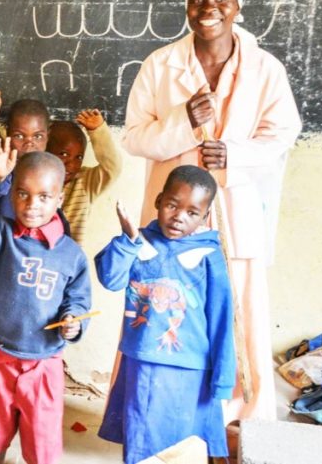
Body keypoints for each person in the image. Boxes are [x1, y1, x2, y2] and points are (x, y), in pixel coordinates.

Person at [121, 0, 301, 421]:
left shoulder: (265, 68)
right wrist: (183, 122)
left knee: (237, 311)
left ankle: (239, 414)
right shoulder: (160, 65)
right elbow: (135, 137)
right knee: (163, 307)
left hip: (236, 211)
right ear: (186, 7)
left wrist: (235, 155)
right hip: (173, 216)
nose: (209, 8)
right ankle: (156, 409)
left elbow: (283, 132)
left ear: (237, 6)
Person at [0, 142, 91, 464]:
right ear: (12, 194)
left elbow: (79, 300)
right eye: (23, 194)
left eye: (44, 197)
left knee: (41, 444)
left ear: (59, 198)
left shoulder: (70, 254)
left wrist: (74, 320)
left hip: (43, 363)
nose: (31, 205)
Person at [95, 165, 235, 463]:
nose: (179, 216)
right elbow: (111, 279)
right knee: (141, 440)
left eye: (192, 212)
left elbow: (222, 318)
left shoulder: (208, 255)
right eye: (172, 205)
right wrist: (128, 239)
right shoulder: (139, 242)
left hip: (191, 367)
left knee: (183, 443)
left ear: (204, 216)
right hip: (143, 360)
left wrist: (223, 378)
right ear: (158, 200)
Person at [46, 109, 123, 243]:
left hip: (70, 260)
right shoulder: (34, 180)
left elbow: (113, 167)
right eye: (64, 154)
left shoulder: (85, 183)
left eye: (79, 157)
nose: (71, 164)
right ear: (46, 150)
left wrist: (98, 131)